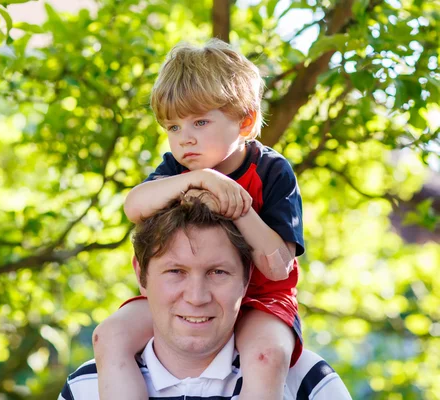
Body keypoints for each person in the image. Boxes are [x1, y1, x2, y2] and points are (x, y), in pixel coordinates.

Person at [94, 39, 305, 400]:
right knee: (108, 336)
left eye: (200, 122)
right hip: (186, 297)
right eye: (173, 127)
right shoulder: (180, 169)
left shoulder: (272, 171)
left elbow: (278, 269)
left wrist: (237, 207)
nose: (184, 139)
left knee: (268, 355)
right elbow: (134, 206)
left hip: (260, 300)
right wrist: (201, 180)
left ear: (245, 121)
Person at [61, 197, 351, 399]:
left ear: (247, 276)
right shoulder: (86, 387)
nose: (197, 297)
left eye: (217, 272)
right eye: (175, 271)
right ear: (141, 275)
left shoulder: (305, 381)